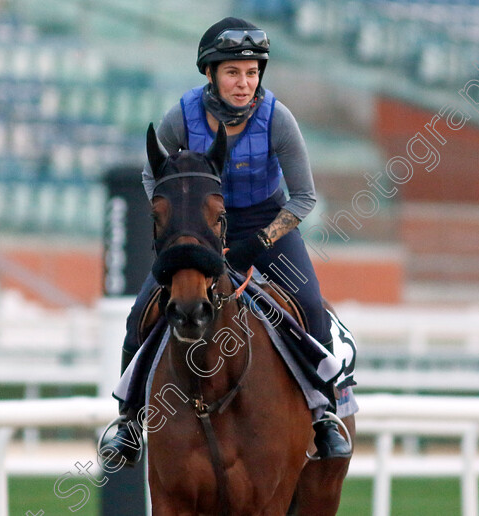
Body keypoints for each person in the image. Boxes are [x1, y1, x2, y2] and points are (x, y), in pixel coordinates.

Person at [106, 17, 351, 466]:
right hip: (199, 227)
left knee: (312, 306)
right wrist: (182, 221)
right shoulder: (180, 116)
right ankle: (128, 423)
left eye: (252, 72)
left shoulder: (278, 119)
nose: (244, 83)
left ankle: (324, 415)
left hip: (265, 225)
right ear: (211, 74)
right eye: (233, 72)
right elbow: (151, 175)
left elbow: (304, 197)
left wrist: (259, 243)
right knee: (140, 312)